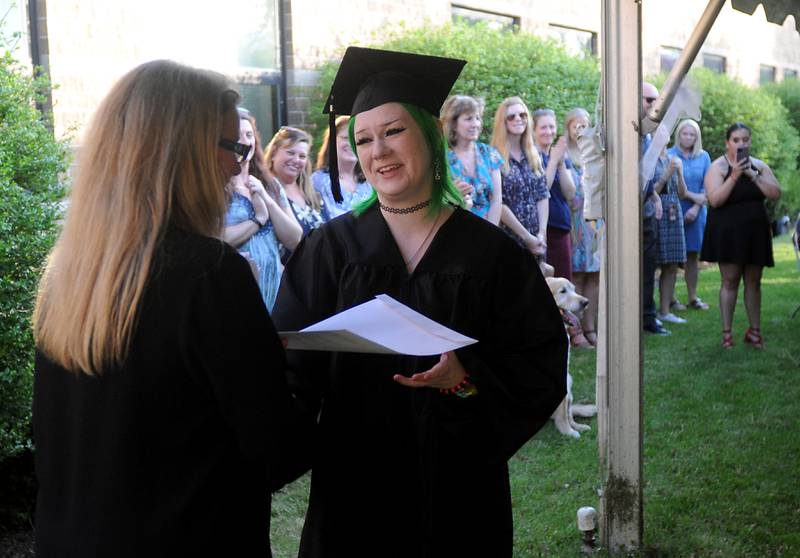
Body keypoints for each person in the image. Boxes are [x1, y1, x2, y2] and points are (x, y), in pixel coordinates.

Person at [272, 47, 567, 558]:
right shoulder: (330, 250)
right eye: (363, 139)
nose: (378, 150)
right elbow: (291, 372)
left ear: (430, 134)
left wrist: (465, 379)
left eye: (393, 131)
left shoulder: (490, 254)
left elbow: (537, 362)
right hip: (355, 480)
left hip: (459, 481)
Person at [31, 60, 313, 556]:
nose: (237, 165)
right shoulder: (208, 274)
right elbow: (279, 451)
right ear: (178, 154)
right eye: (233, 147)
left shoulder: (66, 274)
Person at [701, 122, 781, 348]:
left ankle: (755, 332)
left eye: (745, 140)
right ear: (728, 143)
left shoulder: (759, 166)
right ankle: (727, 334)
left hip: (755, 232)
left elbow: (775, 193)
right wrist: (735, 175)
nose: (741, 144)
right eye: (736, 140)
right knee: (730, 280)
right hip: (728, 232)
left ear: (750, 141)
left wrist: (752, 175)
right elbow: (715, 200)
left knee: (754, 282)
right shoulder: (718, 167)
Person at [223, 109, 302, 310]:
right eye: (237, 135)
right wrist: (257, 220)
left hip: (274, 292)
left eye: (249, 135)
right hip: (236, 293)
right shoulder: (216, 187)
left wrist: (266, 198)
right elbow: (218, 239)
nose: (244, 140)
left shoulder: (271, 185)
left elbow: (295, 238)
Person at [491, 96, 549, 260]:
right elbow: (498, 203)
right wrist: (526, 237)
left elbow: (543, 196)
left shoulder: (533, 154)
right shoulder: (493, 156)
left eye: (522, 115)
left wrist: (541, 234)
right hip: (509, 240)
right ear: (503, 122)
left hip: (538, 241)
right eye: (511, 116)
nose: (518, 119)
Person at [565, 107, 603, 347]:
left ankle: (592, 328)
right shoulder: (565, 155)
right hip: (574, 220)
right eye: (575, 126)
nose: (580, 130)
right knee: (577, 274)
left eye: (584, 125)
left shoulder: (595, 151)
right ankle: (576, 330)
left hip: (595, 219)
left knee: (595, 275)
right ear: (568, 128)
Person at [667, 119, 711, 311]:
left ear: (697, 137)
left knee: (692, 256)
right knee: (671, 257)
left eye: (692, 134)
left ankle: (692, 297)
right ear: (678, 135)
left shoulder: (704, 157)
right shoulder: (669, 155)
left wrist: (695, 207)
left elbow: (708, 187)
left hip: (697, 212)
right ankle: (670, 298)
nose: (688, 137)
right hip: (673, 211)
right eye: (685, 134)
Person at [442, 94, 504, 224]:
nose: (475, 124)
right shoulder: (440, 158)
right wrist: (453, 195)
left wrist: (490, 233)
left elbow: (496, 199)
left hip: (489, 231)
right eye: (469, 119)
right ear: (453, 124)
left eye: (477, 118)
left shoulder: (489, 154)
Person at [533, 108, 576, 280]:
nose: (549, 132)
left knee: (563, 280)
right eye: (543, 127)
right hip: (540, 229)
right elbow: (542, 189)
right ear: (534, 130)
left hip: (560, 226)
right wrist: (552, 161)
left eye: (552, 127)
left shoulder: (559, 156)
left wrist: (560, 164)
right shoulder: (531, 156)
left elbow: (570, 193)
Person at [265, 126, 329, 239]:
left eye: (302, 156)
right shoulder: (265, 192)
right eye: (290, 153)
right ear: (273, 153)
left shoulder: (314, 195)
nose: (296, 160)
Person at [641, 82, 669, 335]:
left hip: (647, 214)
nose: (653, 105)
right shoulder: (627, 132)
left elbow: (648, 176)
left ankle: (648, 318)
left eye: (655, 100)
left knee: (649, 269)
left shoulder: (649, 135)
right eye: (648, 100)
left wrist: (654, 196)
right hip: (625, 216)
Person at [653, 146, 689, 325]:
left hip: (674, 212)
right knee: (653, 263)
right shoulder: (649, 157)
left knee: (672, 264)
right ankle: (648, 311)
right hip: (657, 212)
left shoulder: (672, 159)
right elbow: (651, 191)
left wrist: (680, 173)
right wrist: (666, 174)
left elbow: (682, 193)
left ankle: (665, 310)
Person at [312, 115, 373, 218]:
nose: (351, 143)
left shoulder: (371, 183)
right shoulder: (317, 182)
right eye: (345, 138)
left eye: (357, 139)